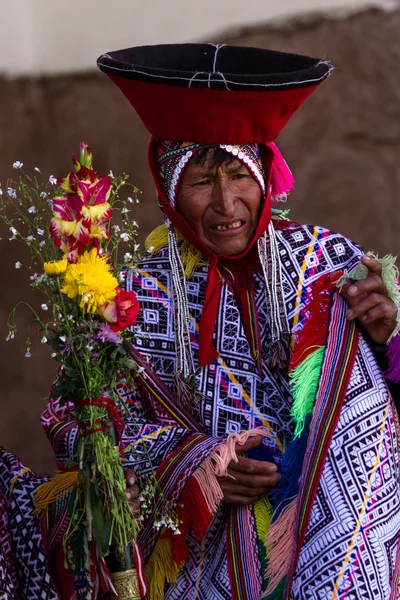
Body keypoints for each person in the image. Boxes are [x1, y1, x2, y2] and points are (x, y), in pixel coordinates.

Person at [1, 43, 399, 600]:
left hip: (332, 542)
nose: (226, 204)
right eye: (200, 183)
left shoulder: (327, 263)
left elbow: (377, 397)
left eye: (239, 175)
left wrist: (390, 340)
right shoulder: (132, 297)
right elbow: (75, 427)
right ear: (169, 192)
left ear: (265, 175)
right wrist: (198, 464)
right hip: (207, 566)